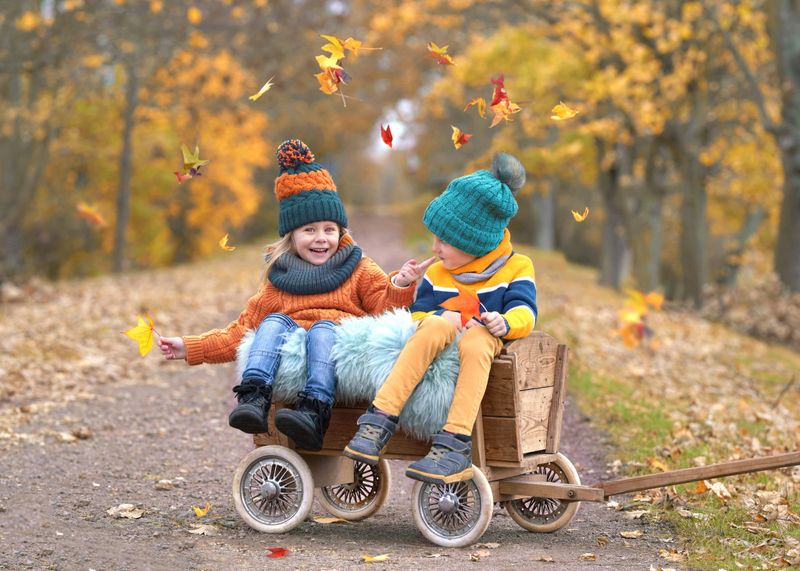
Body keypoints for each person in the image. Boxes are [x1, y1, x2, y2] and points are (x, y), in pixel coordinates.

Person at [158, 139, 432, 451]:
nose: (321, 239)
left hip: (335, 354)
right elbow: (241, 331)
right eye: (309, 230)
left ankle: (314, 410)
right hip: (289, 352)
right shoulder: (280, 280)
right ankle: (253, 397)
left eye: (330, 229)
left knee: (322, 328)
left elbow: (385, 312)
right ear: (292, 235)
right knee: (271, 322)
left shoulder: (358, 268)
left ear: (341, 232)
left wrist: (399, 286)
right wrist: (190, 347)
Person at [344, 152, 537, 484]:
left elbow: (525, 311)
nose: (434, 248)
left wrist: (504, 323)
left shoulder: (517, 268)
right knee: (436, 321)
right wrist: (441, 317)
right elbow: (418, 311)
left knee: (477, 339)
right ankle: (380, 418)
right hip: (442, 337)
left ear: (473, 240)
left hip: (485, 341)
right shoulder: (437, 273)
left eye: (443, 241)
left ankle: (455, 442)